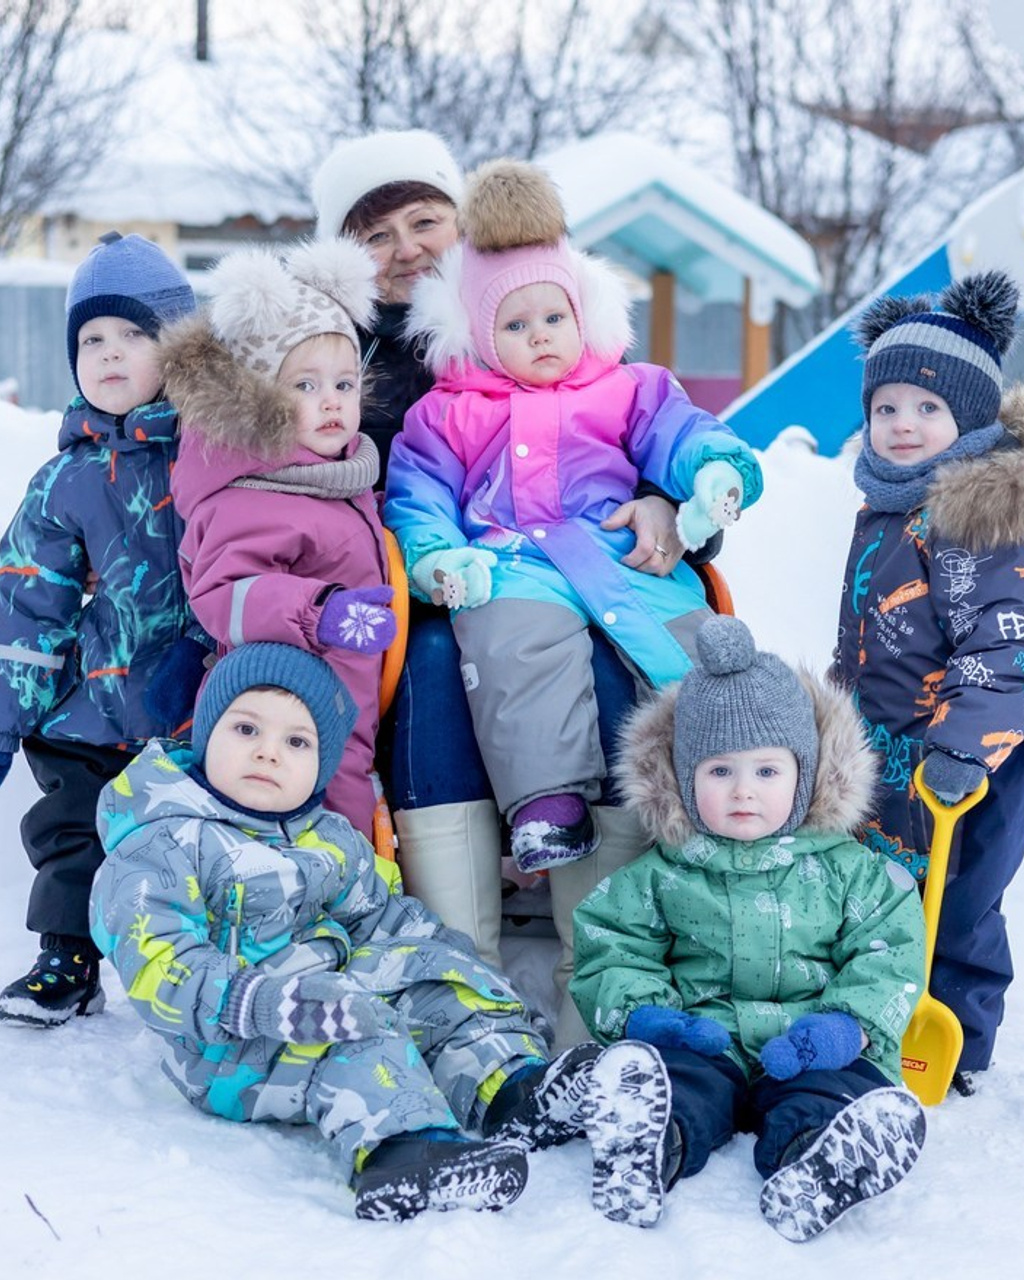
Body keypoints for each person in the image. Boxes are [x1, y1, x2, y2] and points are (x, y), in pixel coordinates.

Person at [312, 132, 725, 1037]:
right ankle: (465, 954)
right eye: (376, 235)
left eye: (426, 219)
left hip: (583, 562)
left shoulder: (545, 307)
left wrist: (664, 500)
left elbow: (639, 427)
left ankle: (604, 948)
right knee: (432, 668)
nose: (409, 245)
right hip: (431, 577)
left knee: (613, 656)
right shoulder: (343, 353)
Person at [88, 641, 613, 1221]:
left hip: (326, 994)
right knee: (356, 1025)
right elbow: (158, 959)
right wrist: (260, 1003)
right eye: (245, 729)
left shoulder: (329, 836)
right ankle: (404, 1149)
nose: (268, 753)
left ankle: (517, 1090)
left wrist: (441, 963)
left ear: (321, 762)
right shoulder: (164, 841)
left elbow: (382, 918)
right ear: (205, 734)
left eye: (296, 742)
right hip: (229, 1044)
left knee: (440, 991)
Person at [386, 156, 761, 866]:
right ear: (477, 335)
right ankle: (548, 804)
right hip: (509, 561)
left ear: (583, 314)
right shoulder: (449, 411)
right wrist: (438, 557)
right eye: (516, 324)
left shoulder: (625, 387)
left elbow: (676, 431)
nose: (541, 335)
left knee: (692, 640)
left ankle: (741, 773)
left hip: (619, 547)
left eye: (555, 316)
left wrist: (711, 472)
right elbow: (421, 491)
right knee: (516, 652)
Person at [570, 616, 928, 1243]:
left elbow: (889, 954)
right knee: (680, 1082)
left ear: (806, 774)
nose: (743, 792)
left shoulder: (851, 871)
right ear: (683, 778)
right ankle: (653, 1145)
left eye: (766, 771)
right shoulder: (661, 875)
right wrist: (650, 1016)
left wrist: (848, 1028)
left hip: (814, 1040)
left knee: (829, 1090)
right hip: (708, 1040)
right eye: (718, 772)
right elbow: (611, 947)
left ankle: (818, 1159)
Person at [831, 270, 1024, 1086]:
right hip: (887, 739)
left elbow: (1005, 648)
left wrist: (966, 747)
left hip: (978, 750)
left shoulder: (985, 516)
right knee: (884, 892)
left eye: (927, 408)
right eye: (887, 408)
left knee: (959, 900)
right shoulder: (891, 503)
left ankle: (961, 1043)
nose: (903, 426)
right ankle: (877, 1018)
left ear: (972, 419)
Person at [0, 231, 198, 1026]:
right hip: (87, 713)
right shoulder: (64, 480)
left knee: (198, 837)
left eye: (135, 334)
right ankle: (65, 956)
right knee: (73, 831)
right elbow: (27, 603)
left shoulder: (211, 456)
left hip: (198, 708)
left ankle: (202, 959)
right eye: (91, 338)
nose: (109, 353)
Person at [161, 237, 397, 840]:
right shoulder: (253, 491)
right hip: (288, 702)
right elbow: (224, 594)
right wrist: (318, 613)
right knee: (311, 800)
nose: (332, 404)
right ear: (260, 399)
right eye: (306, 386)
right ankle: (313, 894)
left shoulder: (334, 475)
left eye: (344, 386)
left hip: (348, 687)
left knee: (347, 788)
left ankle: (350, 891)